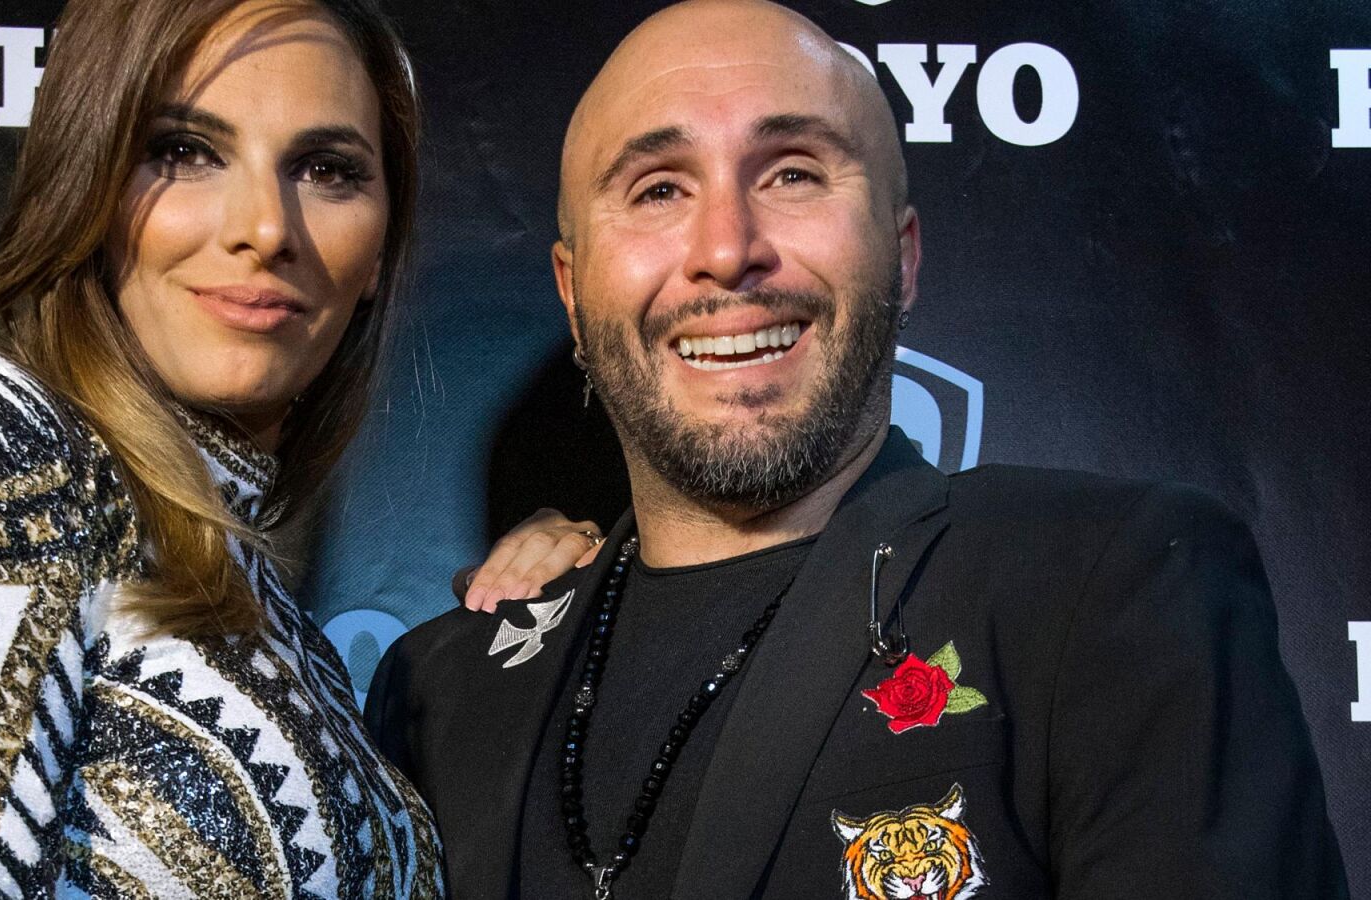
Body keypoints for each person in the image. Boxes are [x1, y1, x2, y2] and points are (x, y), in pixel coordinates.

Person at [366, 1, 1348, 897]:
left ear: (902, 256)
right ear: (574, 294)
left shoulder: (1109, 588)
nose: (727, 247)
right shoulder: (439, 691)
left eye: (792, 173)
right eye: (658, 188)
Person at [0, 0, 599, 896]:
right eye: (183, 152)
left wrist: (595, 591)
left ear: (378, 254)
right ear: (88, 185)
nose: (267, 228)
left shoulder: (291, 637)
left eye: (326, 170)